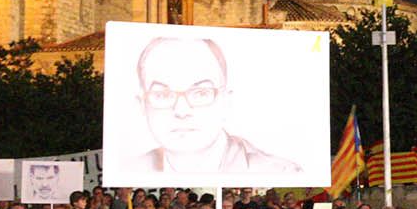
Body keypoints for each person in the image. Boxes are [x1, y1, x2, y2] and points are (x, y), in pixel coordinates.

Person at [126, 36, 302, 175]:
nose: (181, 111)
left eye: (201, 93)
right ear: (142, 105)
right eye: (163, 95)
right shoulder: (130, 170)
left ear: (226, 101)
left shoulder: (277, 172)